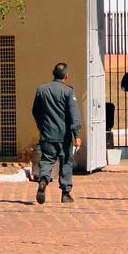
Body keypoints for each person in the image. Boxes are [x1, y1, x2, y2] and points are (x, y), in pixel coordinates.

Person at [32, 62, 81, 204]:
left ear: (54, 74)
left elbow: (35, 111)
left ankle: (43, 181)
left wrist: (42, 126)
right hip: (64, 136)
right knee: (66, 162)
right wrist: (77, 135)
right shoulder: (68, 91)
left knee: (47, 160)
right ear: (66, 76)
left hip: (47, 134)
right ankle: (65, 193)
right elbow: (74, 115)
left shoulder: (42, 89)